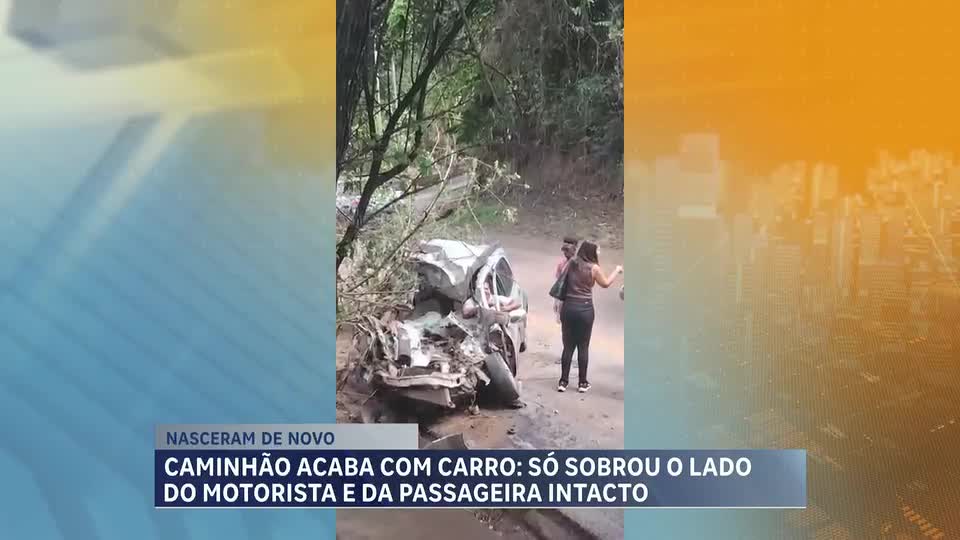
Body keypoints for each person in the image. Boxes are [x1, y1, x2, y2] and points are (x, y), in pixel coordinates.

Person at [558, 241, 622, 393]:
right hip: (585, 310)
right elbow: (605, 283)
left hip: (568, 308)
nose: (599, 252)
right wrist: (617, 270)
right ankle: (582, 383)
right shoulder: (594, 268)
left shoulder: (572, 263)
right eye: (598, 250)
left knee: (568, 346)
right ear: (592, 251)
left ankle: (563, 382)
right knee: (583, 346)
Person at [554, 236, 579, 323]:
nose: (565, 253)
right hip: (565, 303)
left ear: (574, 249)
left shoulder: (580, 264)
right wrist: (556, 302)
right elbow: (558, 284)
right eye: (564, 250)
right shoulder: (561, 264)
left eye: (567, 250)